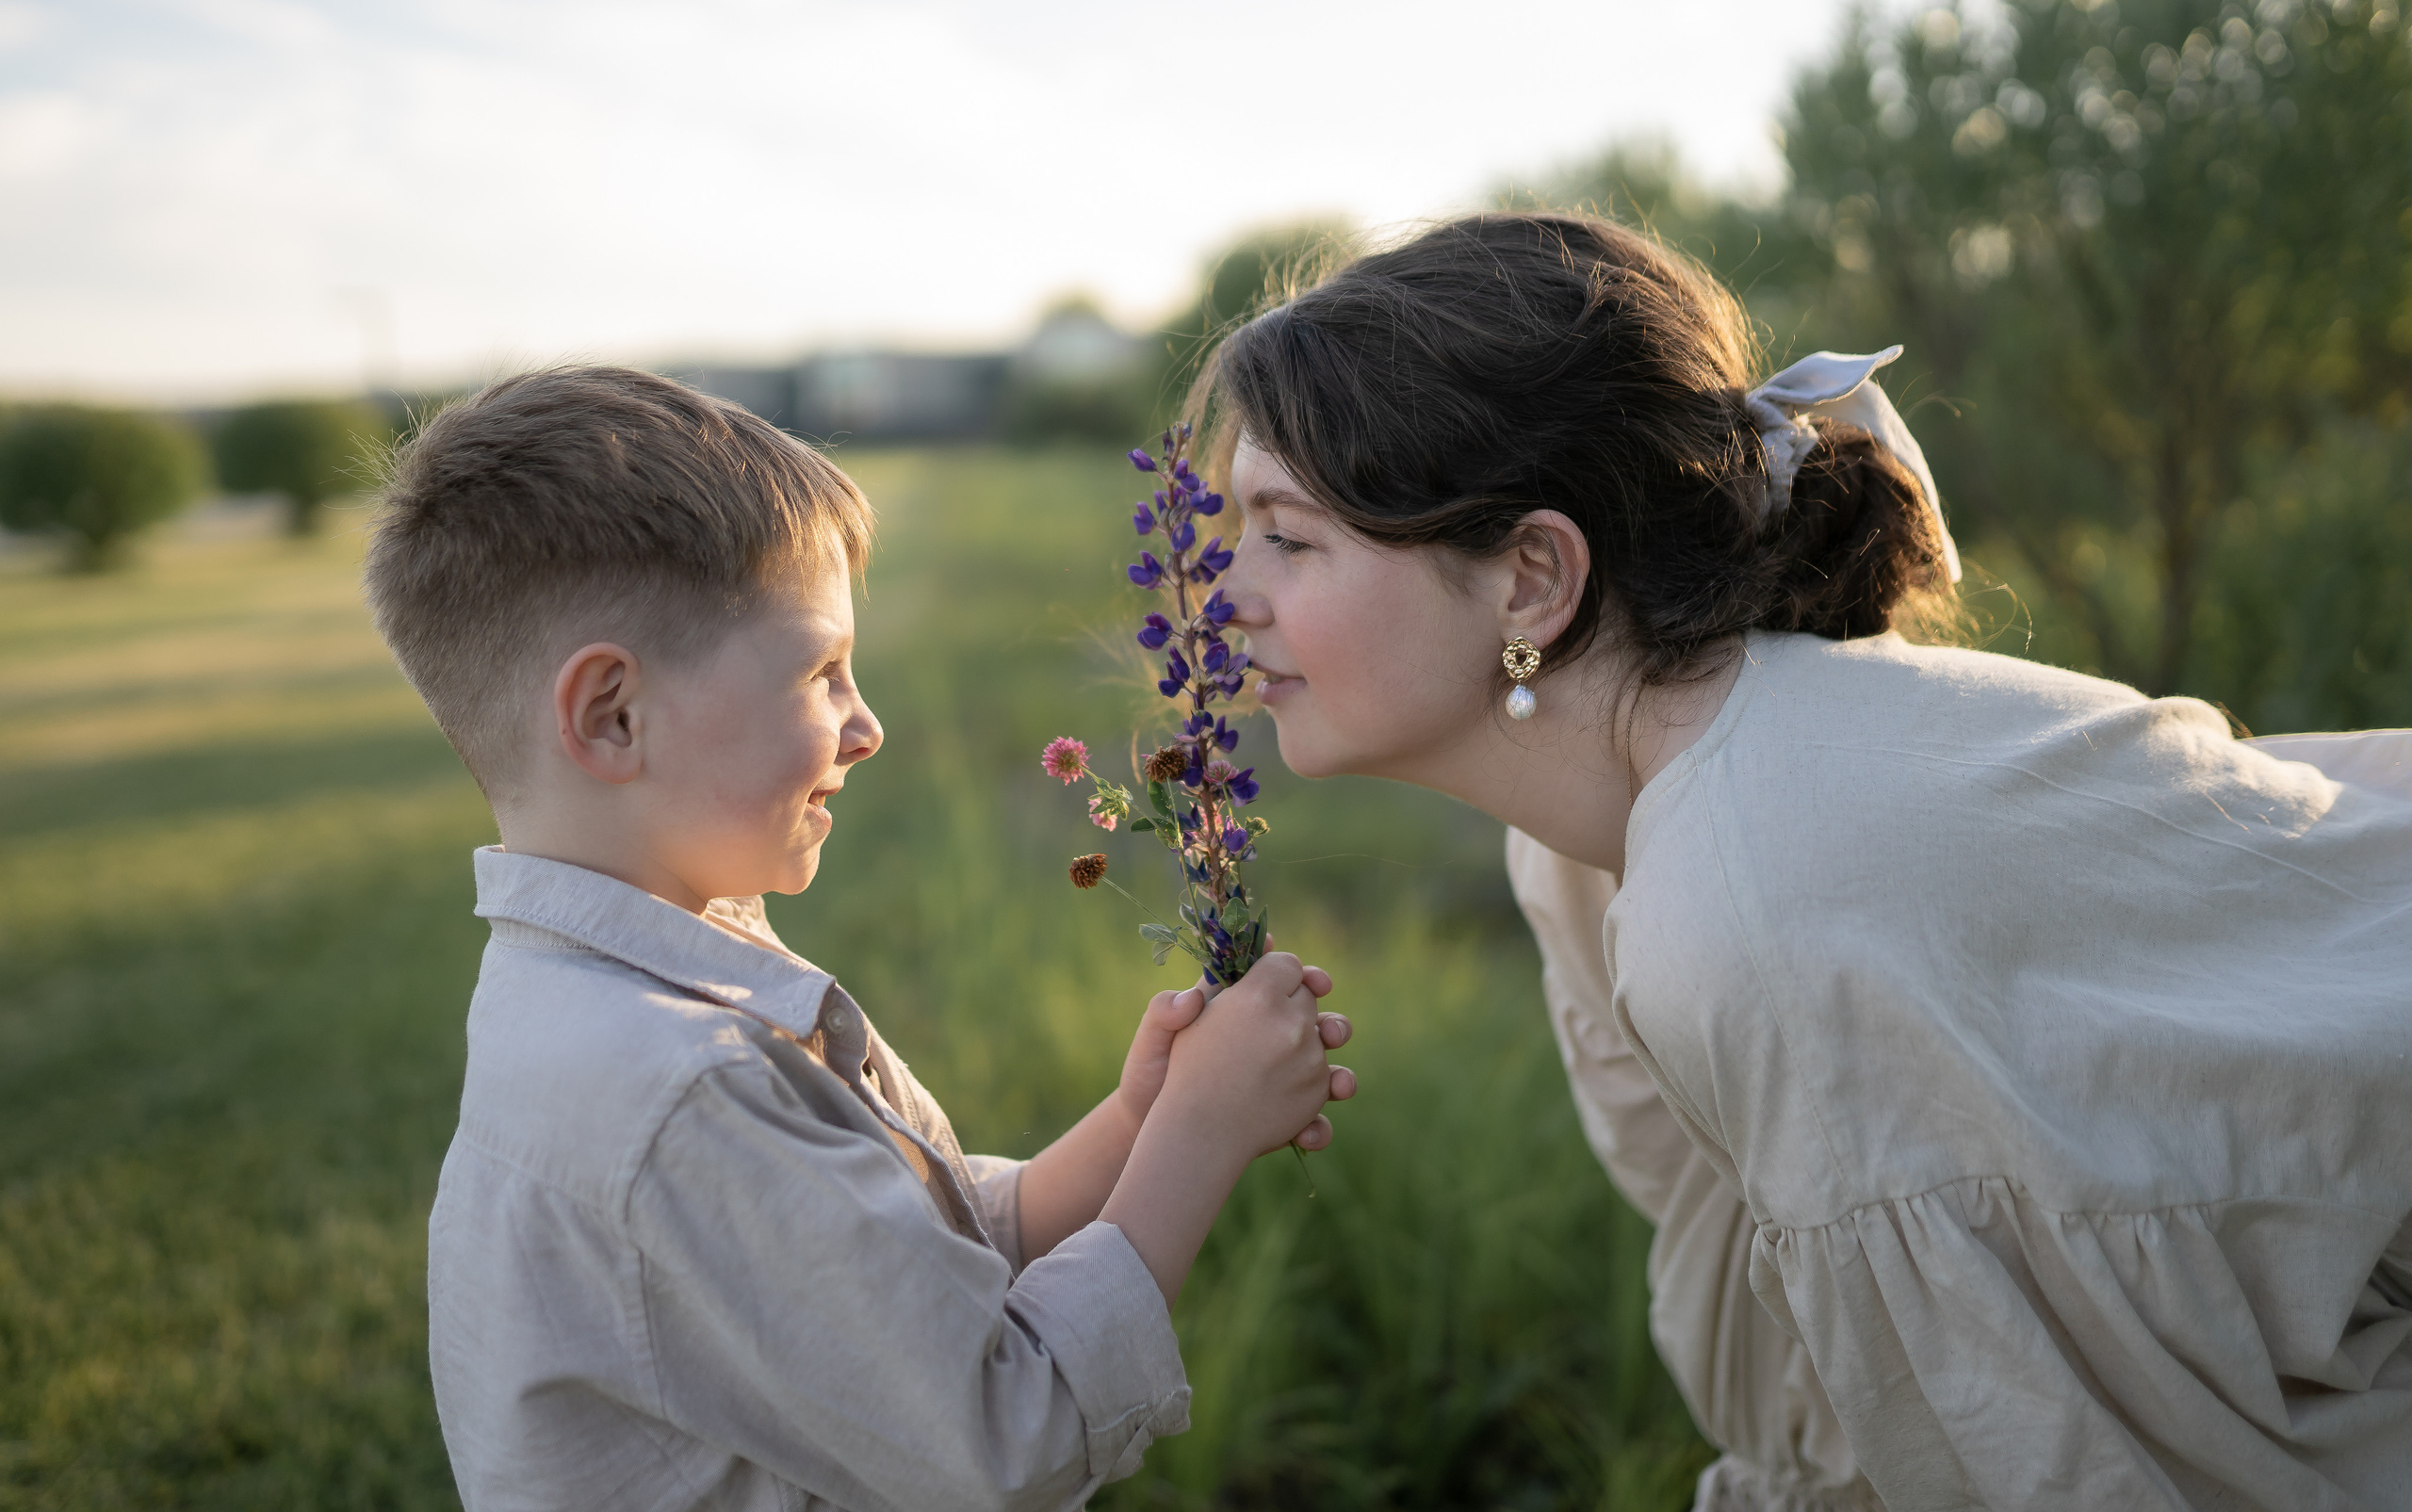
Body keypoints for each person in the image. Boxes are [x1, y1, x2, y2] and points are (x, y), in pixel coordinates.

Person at [1198, 211, 2412, 1510]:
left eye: (1287, 534)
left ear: (1533, 577)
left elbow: (2051, 1458)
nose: (1221, 591)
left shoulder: (1752, 904)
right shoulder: (1589, 837)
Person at [362, 366, 1355, 1511]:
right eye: (822, 672)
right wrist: (1199, 1135)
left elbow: (916, 1272)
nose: (867, 725)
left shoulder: (617, 1000)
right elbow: (1001, 1440)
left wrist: (1137, 1121)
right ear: (613, 716)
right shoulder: (681, 1090)